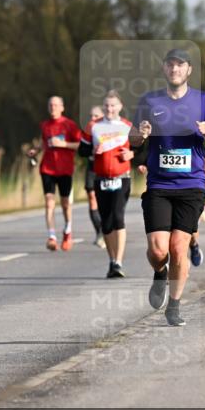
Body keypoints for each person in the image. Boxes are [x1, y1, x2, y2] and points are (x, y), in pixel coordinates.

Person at [130, 48, 205, 326]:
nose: (175, 69)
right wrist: (141, 134)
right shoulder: (149, 100)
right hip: (159, 184)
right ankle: (159, 273)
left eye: (180, 65)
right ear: (164, 69)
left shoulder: (203, 100)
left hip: (191, 184)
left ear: (189, 70)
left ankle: (173, 306)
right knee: (158, 251)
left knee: (178, 247)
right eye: (170, 65)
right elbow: (132, 138)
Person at [78, 90, 134, 278]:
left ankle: (119, 261)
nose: (110, 109)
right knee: (106, 222)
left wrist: (131, 154)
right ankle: (112, 261)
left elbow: (141, 149)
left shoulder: (127, 126)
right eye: (107, 106)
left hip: (122, 177)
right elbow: (82, 150)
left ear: (120, 107)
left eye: (113, 105)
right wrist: (93, 150)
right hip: (101, 179)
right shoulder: (93, 126)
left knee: (118, 217)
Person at [27, 96, 82, 251]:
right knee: (49, 202)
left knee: (65, 204)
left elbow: (80, 145)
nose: (53, 108)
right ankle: (52, 237)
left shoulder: (69, 125)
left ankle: (67, 231)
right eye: (51, 105)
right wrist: (36, 150)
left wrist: (63, 144)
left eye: (56, 105)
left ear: (62, 108)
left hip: (65, 169)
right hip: (48, 168)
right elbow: (43, 142)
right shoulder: (45, 125)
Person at [83, 105, 107, 248]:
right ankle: (99, 232)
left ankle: (108, 229)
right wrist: (90, 150)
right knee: (92, 198)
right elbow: (82, 150)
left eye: (96, 116)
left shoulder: (109, 129)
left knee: (105, 201)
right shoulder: (89, 129)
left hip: (106, 168)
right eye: (91, 116)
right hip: (92, 167)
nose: (92, 119)